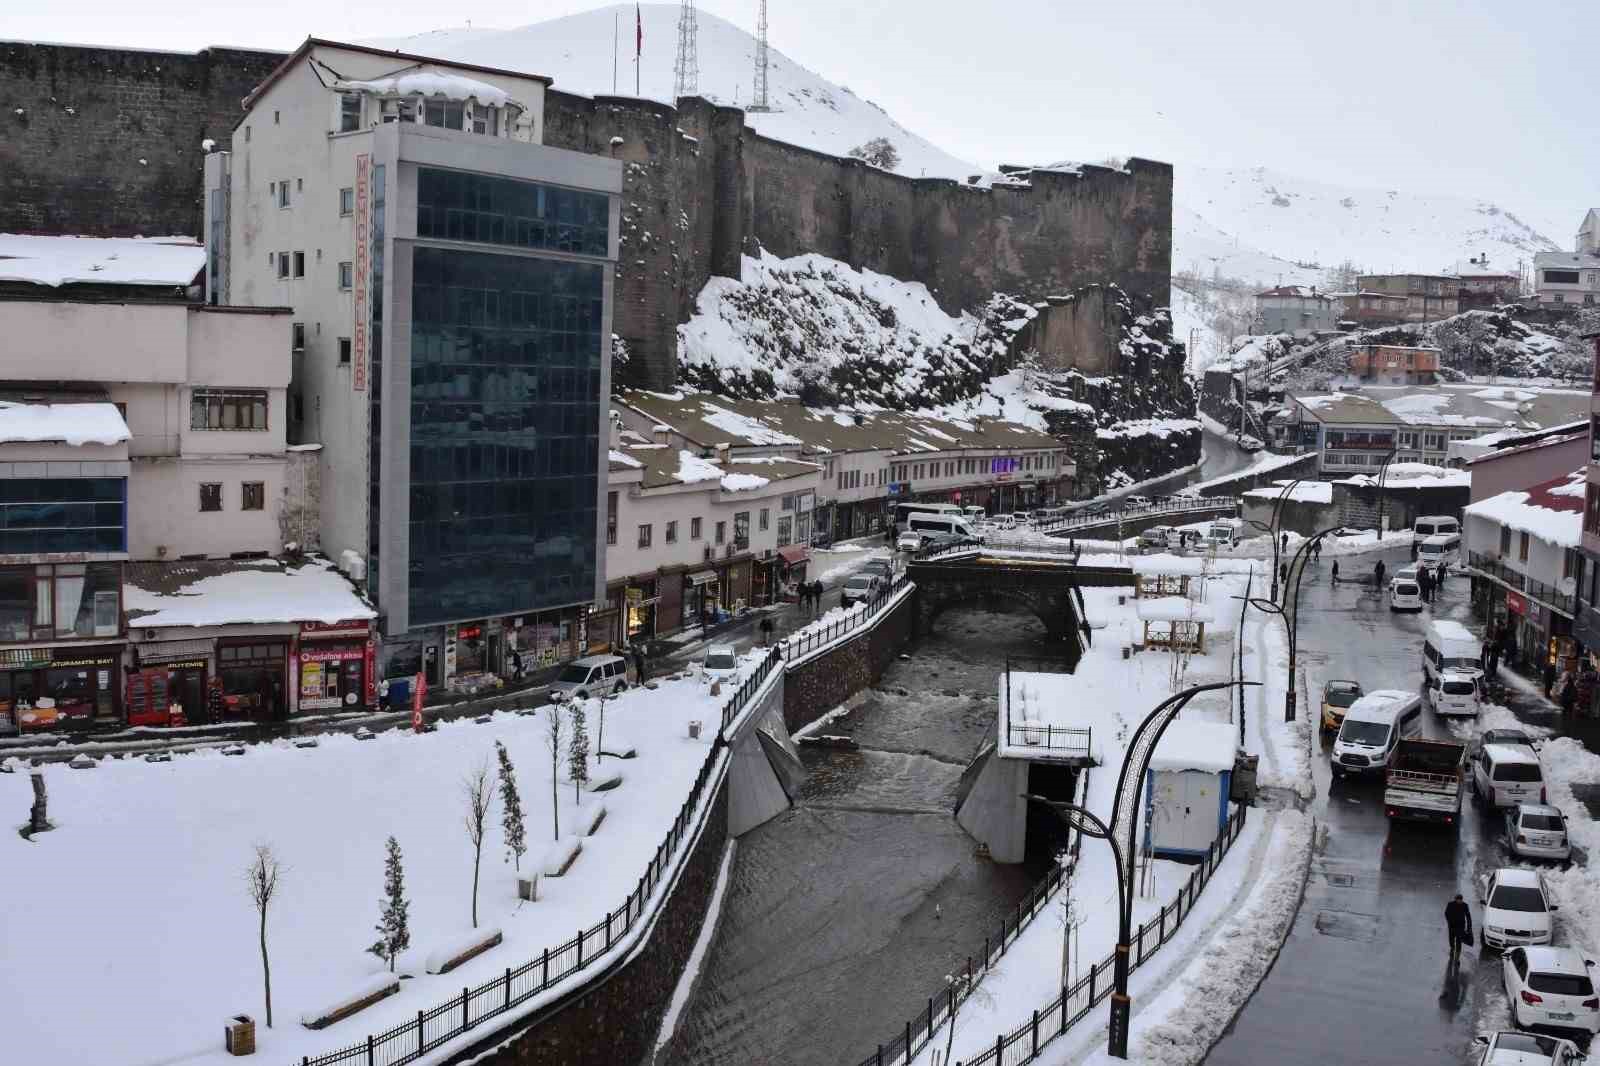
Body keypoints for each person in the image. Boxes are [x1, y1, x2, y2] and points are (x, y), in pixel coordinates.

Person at [1445, 893, 1473, 965]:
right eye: (1458, 900)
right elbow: (1446, 913)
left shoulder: (1465, 906)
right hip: (1452, 927)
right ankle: (1452, 948)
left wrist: (1469, 927)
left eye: (1460, 900)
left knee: (1459, 943)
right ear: (1455, 899)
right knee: (1451, 940)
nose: (1459, 901)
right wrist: (1449, 921)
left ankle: (1457, 959)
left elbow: (1468, 916)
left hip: (1460, 927)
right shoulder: (1450, 904)